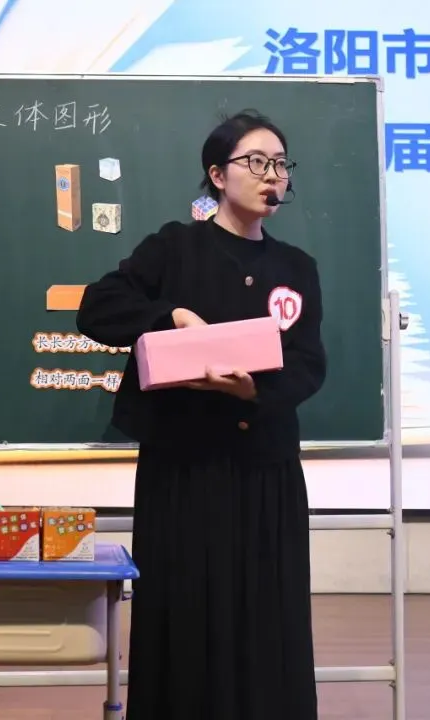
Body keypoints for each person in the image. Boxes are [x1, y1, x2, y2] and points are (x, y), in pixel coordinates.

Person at [75, 110, 327, 719]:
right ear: (217, 175)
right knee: (185, 610)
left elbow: (308, 364)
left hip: (265, 469)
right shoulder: (174, 247)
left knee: (267, 614)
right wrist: (170, 318)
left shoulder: (297, 267)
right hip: (184, 469)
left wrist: (253, 392)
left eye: (280, 165)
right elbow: (97, 308)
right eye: (256, 162)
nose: (272, 176)